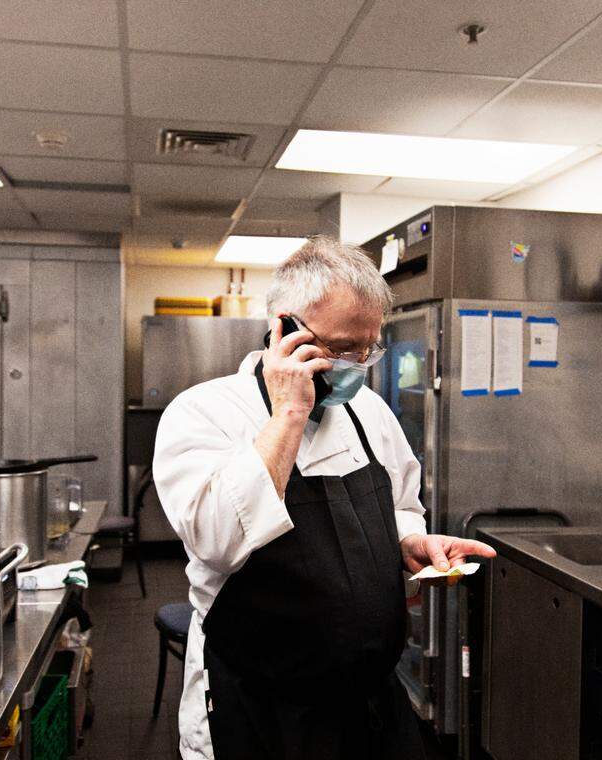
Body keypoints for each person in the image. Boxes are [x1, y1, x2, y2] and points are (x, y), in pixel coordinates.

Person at [154, 236, 496, 760]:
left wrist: (412, 542)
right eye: (339, 349)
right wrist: (289, 413)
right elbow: (218, 540)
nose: (356, 365)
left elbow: (402, 503)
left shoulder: (370, 413)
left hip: (371, 703)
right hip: (260, 710)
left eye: (367, 348)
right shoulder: (204, 412)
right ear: (283, 329)